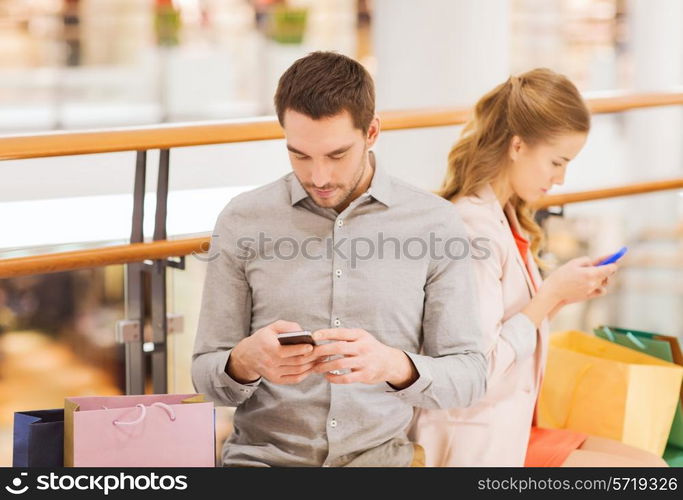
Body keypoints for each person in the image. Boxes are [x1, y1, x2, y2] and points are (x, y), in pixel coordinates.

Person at [191, 51, 487, 467]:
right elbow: (205, 374)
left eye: (336, 155)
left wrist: (392, 364)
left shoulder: (434, 223)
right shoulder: (243, 220)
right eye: (300, 155)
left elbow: (471, 376)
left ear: (372, 132)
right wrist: (243, 362)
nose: (319, 177)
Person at [410, 68, 667, 467]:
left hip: (511, 424)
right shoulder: (473, 231)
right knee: (645, 472)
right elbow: (476, 369)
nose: (561, 179)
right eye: (556, 162)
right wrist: (551, 293)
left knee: (651, 462)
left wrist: (561, 296)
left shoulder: (506, 215)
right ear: (517, 146)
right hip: (477, 439)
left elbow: (509, 322)